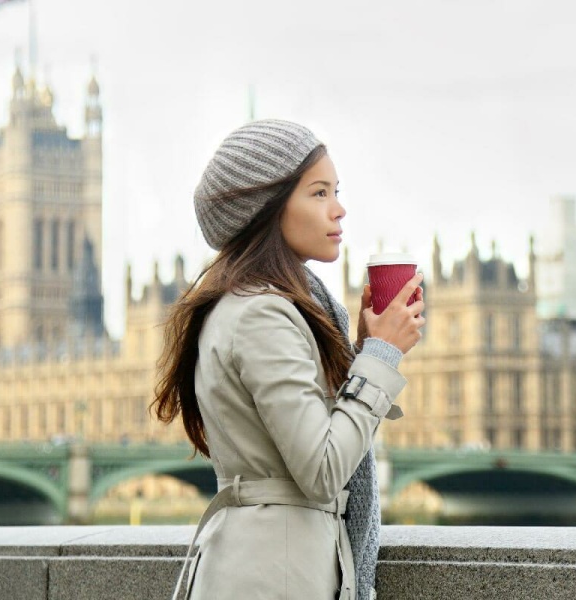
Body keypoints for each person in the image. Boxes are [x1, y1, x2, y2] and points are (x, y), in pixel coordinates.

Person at [152, 119, 425, 600]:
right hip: (271, 573)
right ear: (267, 208)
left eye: (336, 191)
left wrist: (361, 353)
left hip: (269, 562)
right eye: (319, 193)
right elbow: (321, 471)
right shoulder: (262, 314)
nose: (339, 210)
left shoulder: (264, 305)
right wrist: (382, 357)